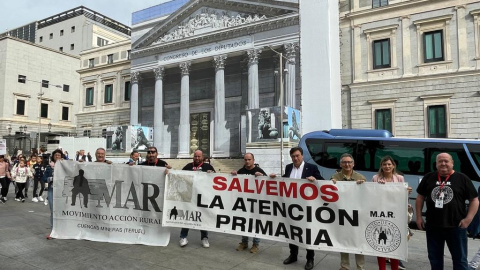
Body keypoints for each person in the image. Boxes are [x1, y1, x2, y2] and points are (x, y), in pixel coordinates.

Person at [416, 153, 479, 270]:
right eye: (440, 161)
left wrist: (468, 219)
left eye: (446, 161)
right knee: (435, 258)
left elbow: (474, 200)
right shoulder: (429, 177)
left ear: (452, 163)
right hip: (433, 225)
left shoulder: (462, 178)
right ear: (436, 164)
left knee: (460, 259)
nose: (443, 164)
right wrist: (419, 217)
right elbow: (420, 197)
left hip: (456, 226)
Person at [270, 146, 323, 270]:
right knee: (292, 230)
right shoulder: (289, 167)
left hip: (307, 208)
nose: (295, 158)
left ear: (302, 156)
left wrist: (315, 180)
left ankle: (310, 258)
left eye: (297, 155)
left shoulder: (312, 168)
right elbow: (284, 181)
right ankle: (293, 255)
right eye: (293, 156)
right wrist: (274, 178)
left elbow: (322, 182)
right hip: (292, 207)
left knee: (308, 233)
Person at [371, 156, 408, 270]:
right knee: (380, 244)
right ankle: (381, 268)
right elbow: (371, 195)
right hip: (380, 214)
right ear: (381, 166)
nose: (387, 166)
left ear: (393, 166)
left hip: (395, 215)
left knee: (394, 244)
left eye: (389, 164)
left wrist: (407, 191)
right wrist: (378, 187)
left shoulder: (400, 178)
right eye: (384, 164)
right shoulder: (375, 178)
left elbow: (403, 195)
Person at [330, 153, 366, 270]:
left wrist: (363, 186)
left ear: (353, 164)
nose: (347, 164)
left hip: (357, 215)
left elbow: (367, 195)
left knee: (358, 241)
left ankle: (360, 266)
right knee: (344, 240)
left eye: (349, 162)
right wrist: (331, 184)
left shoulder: (361, 177)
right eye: (344, 162)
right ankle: (344, 266)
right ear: (340, 164)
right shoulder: (335, 177)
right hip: (342, 214)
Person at [231, 152, 267, 254]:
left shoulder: (259, 170)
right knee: (244, 222)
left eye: (249, 159)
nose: (247, 161)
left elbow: (268, 183)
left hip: (256, 202)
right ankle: (244, 242)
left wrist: (262, 176)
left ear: (253, 160)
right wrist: (233, 176)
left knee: (255, 223)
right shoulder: (241, 171)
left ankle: (255, 244)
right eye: (245, 160)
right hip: (244, 202)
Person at [179, 150, 215, 248]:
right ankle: (183, 236)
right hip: (190, 196)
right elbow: (179, 176)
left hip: (203, 197)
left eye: (199, 156)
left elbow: (214, 180)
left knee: (202, 217)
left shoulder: (208, 167)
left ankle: (204, 238)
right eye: (195, 156)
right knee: (187, 216)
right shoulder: (188, 166)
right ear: (193, 157)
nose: (197, 158)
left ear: (203, 157)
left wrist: (211, 174)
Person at [43, 149, 65, 239]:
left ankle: (63, 230)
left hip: (62, 191)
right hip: (52, 190)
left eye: (59, 155)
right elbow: (44, 178)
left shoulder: (65, 166)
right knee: (53, 211)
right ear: (53, 156)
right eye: (56, 155)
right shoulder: (49, 167)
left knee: (63, 210)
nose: (57, 156)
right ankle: (53, 231)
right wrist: (52, 178)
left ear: (61, 156)